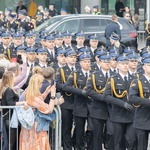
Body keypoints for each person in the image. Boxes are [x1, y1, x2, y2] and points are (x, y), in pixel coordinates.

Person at [19, 73, 63, 150]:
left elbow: (40, 99)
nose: (42, 84)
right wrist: (52, 96)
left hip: (27, 127)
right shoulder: (35, 99)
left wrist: (46, 92)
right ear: (38, 84)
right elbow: (49, 109)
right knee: (38, 146)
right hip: (36, 128)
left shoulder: (27, 94)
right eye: (42, 82)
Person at [103, 54, 137, 150]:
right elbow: (106, 96)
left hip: (131, 115)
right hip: (118, 115)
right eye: (122, 64)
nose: (125, 65)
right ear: (117, 65)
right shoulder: (113, 79)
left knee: (131, 140)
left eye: (126, 63)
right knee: (118, 142)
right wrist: (122, 104)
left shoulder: (134, 79)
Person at [0, 71, 28, 150]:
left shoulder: (7, 88)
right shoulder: (8, 90)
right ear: (10, 78)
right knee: (11, 141)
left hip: (10, 117)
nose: (15, 78)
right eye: (13, 76)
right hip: (10, 118)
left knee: (11, 140)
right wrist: (22, 102)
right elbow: (10, 103)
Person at [129, 57, 150, 150]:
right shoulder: (138, 81)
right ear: (144, 67)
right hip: (142, 118)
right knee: (141, 146)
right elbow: (132, 98)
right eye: (149, 65)